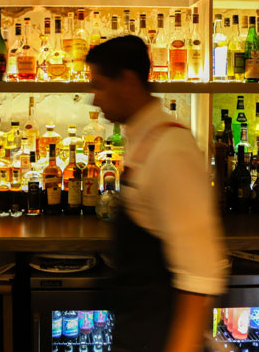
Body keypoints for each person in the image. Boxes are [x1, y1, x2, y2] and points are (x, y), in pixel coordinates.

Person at [86, 35, 226, 352]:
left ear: (127, 81)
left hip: (159, 338)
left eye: (99, 86)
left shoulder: (172, 150)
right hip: (138, 332)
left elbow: (199, 278)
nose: (94, 100)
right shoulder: (142, 137)